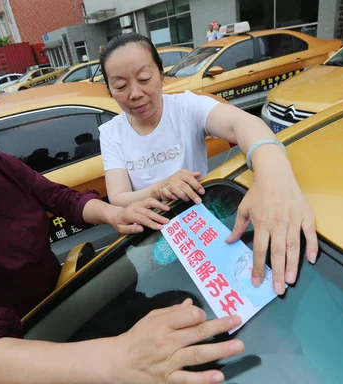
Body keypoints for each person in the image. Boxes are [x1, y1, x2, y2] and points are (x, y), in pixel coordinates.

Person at [0, 62, 245, 384]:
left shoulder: (0, 167)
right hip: (32, 349)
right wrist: (119, 358)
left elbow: (62, 199)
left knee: (191, 318)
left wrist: (116, 213)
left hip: (71, 299)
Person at [98, 33, 318, 296]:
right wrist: (160, 188)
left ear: (160, 73)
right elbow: (119, 198)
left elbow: (244, 124)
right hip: (151, 244)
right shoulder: (111, 132)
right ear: (110, 90)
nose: (135, 93)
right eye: (121, 86)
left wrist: (273, 175)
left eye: (145, 79)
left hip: (203, 232)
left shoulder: (186, 107)